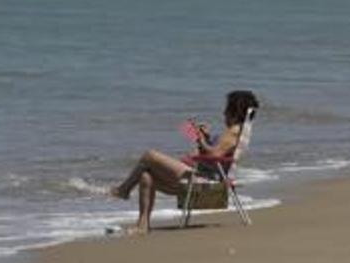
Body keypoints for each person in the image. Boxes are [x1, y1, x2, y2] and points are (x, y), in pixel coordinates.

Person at [111, 90, 259, 234]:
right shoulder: (237, 131)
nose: (224, 113)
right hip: (203, 175)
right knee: (146, 176)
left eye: (227, 109)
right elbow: (216, 154)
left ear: (234, 111)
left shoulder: (233, 131)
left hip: (203, 180)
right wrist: (205, 138)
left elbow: (214, 154)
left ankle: (123, 190)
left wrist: (201, 140)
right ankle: (142, 226)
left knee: (150, 156)